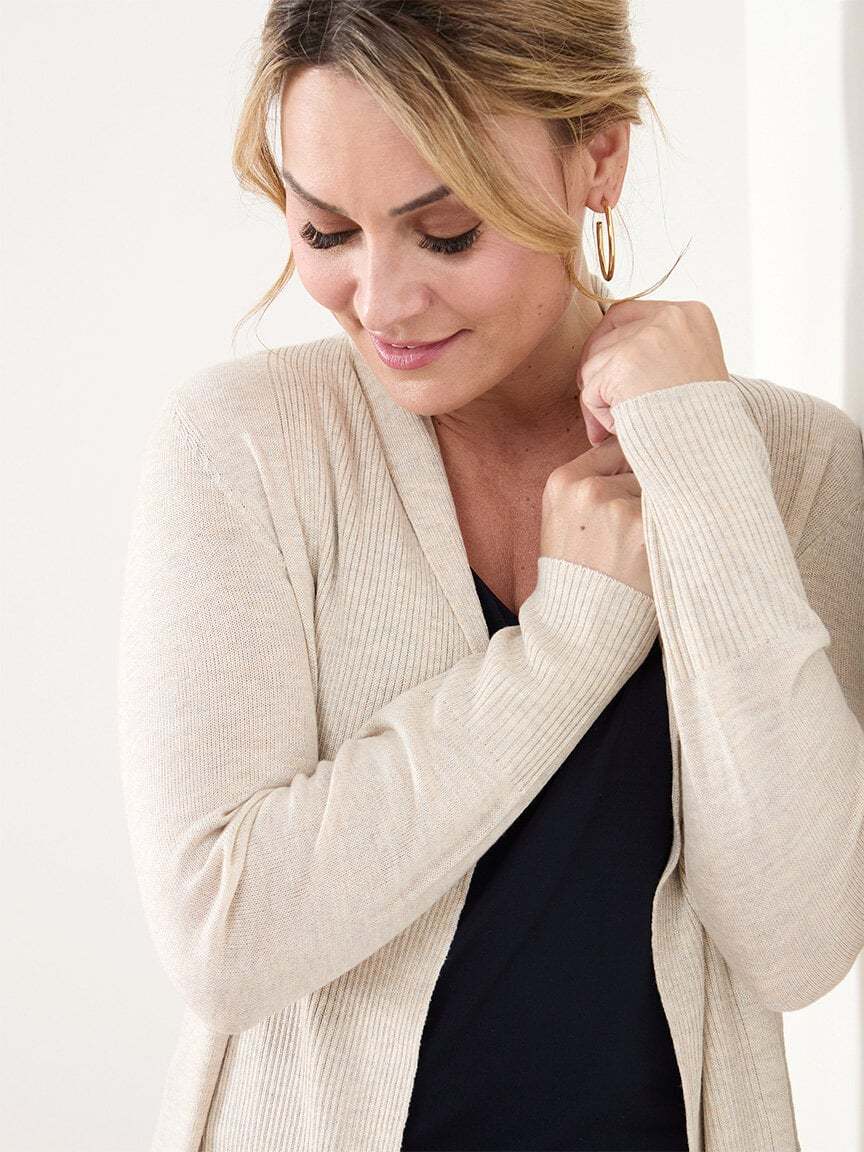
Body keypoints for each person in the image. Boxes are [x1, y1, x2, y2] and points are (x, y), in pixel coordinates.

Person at [116, 3, 864, 1150]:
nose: (381, 300)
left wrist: (703, 459)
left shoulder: (792, 464)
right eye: (325, 232)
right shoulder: (248, 446)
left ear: (599, 157)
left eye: (448, 232)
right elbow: (228, 939)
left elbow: (799, 942)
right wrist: (568, 645)